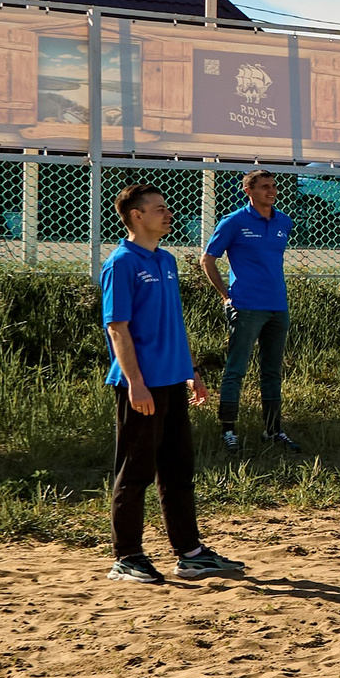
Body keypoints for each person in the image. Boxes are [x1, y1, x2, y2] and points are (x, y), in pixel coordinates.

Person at [100, 184, 238, 586]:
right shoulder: (121, 262)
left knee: (178, 469)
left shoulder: (167, 259)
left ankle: (190, 553)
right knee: (135, 470)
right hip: (140, 385)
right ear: (136, 216)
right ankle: (127, 556)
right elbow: (117, 327)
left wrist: (190, 369)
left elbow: (171, 324)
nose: (167, 213)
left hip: (172, 379)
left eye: (167, 207)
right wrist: (135, 383)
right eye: (159, 209)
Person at [200, 167, 300, 452]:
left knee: (272, 370)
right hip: (246, 306)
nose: (272, 191)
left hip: (277, 306)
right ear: (249, 191)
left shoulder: (284, 221)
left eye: (273, 186)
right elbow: (208, 259)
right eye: (264, 186)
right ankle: (228, 430)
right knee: (236, 369)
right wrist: (225, 296)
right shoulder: (234, 222)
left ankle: (273, 430)